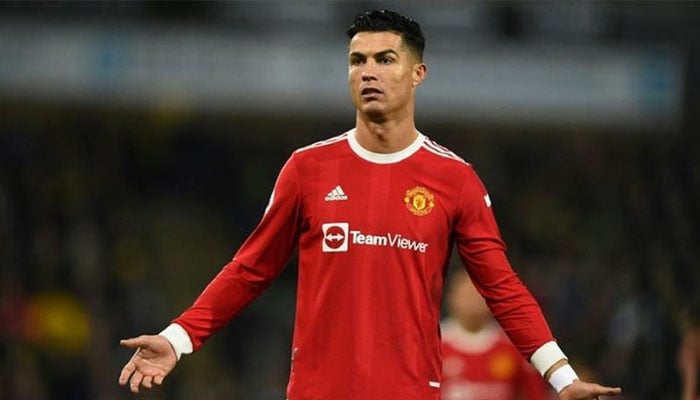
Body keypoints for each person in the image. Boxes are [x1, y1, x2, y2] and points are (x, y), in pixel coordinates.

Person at [119, 9, 622, 400]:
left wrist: (560, 376)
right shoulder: (307, 169)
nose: (368, 71)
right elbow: (251, 268)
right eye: (357, 60)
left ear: (418, 72)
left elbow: (503, 287)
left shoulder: (455, 179)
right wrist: (178, 338)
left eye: (385, 59)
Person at [441, 268, 554, 400]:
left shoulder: (515, 347)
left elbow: (535, 394)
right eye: (466, 294)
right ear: (451, 297)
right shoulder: (432, 346)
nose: (472, 301)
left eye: (477, 294)